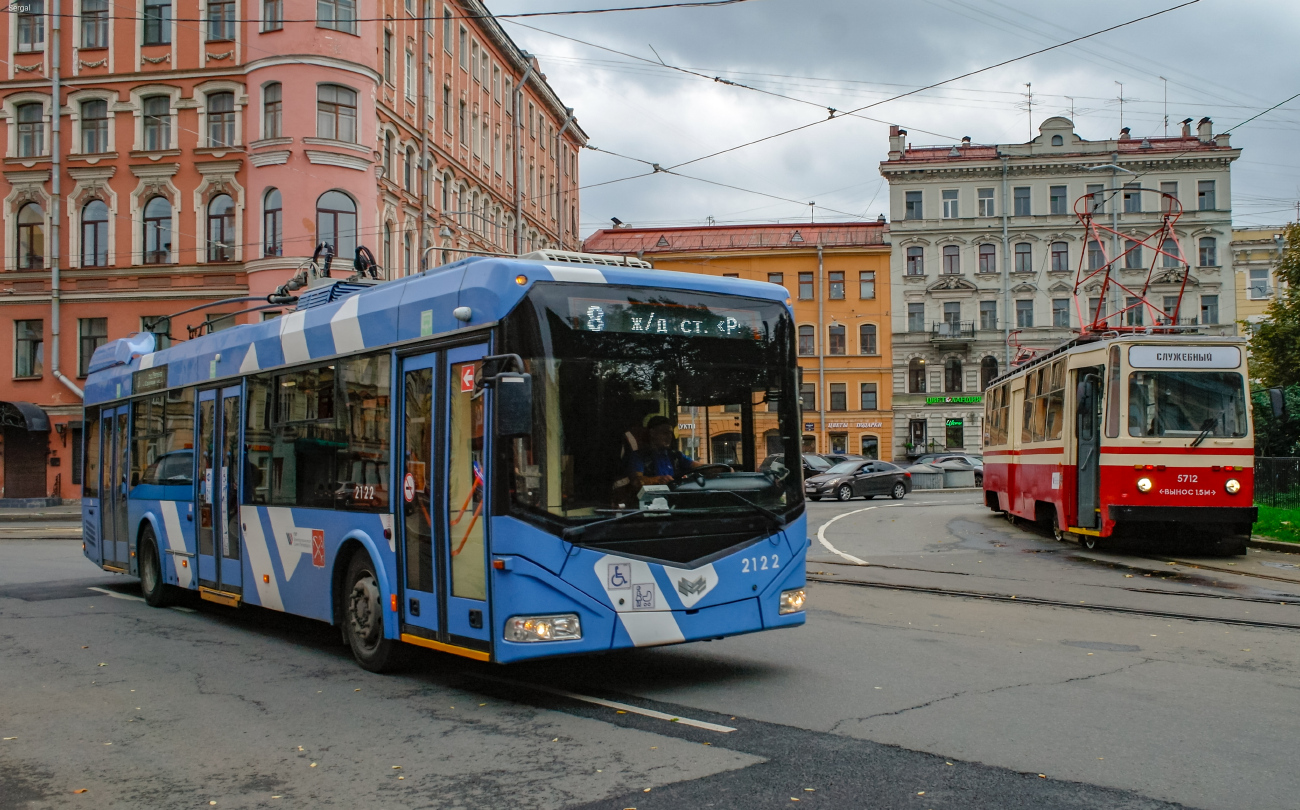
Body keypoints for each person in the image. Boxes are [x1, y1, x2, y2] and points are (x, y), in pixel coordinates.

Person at [626, 415, 706, 489]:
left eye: (670, 433)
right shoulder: (639, 456)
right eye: (665, 433)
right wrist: (659, 480)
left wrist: (711, 468)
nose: (669, 436)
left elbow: (696, 465)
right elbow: (637, 481)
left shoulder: (675, 456)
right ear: (652, 433)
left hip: (675, 496)